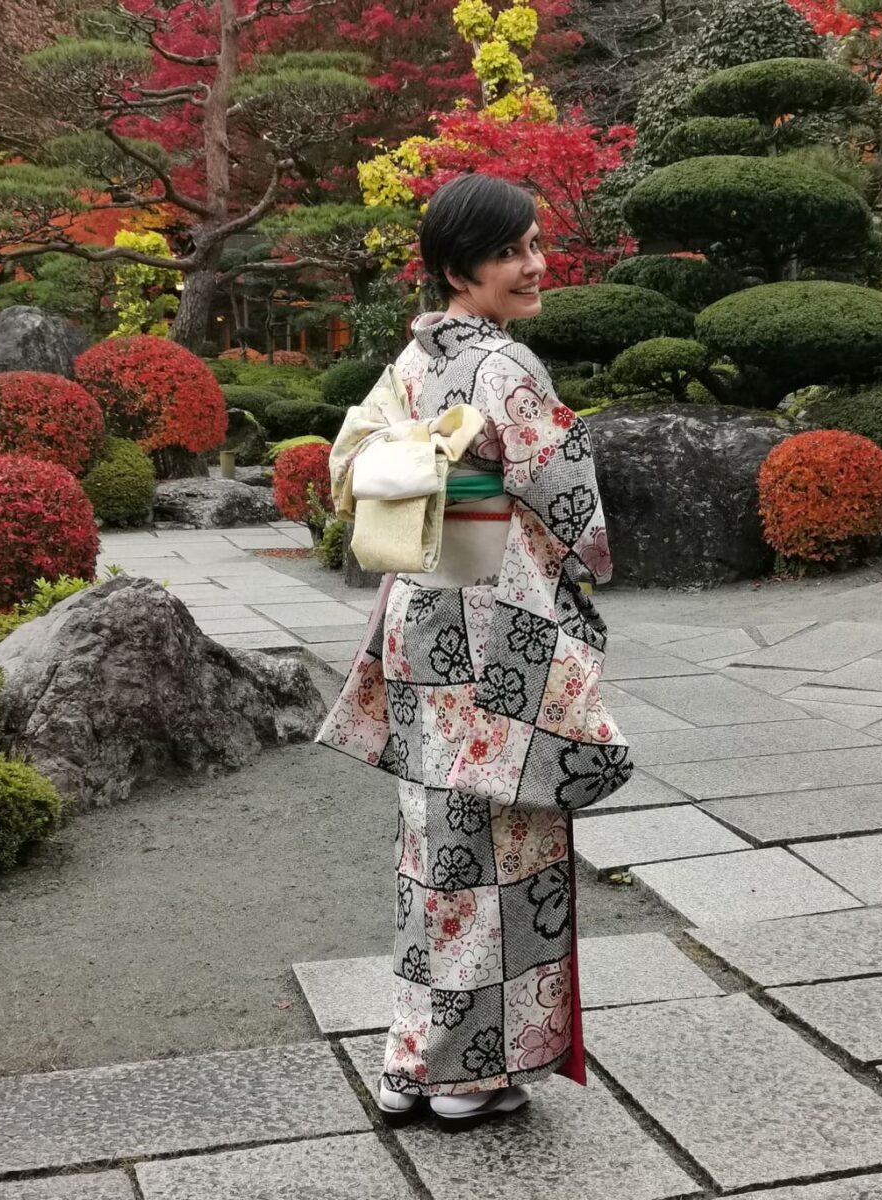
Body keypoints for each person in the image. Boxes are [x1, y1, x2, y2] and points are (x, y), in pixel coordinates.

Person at [315, 172, 632, 1130]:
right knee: (496, 845)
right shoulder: (507, 366)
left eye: (535, 245)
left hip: (422, 615)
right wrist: (589, 577)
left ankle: (409, 1058)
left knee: (434, 845)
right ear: (461, 270)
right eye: (509, 253)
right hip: (495, 624)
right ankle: (462, 1072)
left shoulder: (409, 365)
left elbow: (353, 465)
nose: (534, 266)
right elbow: (567, 501)